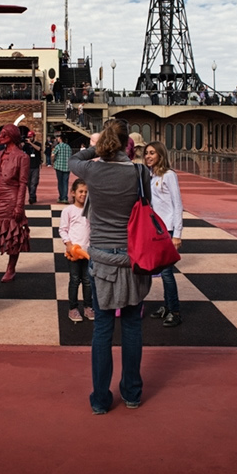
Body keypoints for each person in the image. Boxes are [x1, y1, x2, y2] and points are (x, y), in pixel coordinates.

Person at [69, 119, 152, 414]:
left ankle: (101, 399)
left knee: (102, 330)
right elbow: (147, 209)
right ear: (128, 143)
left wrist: (97, 149)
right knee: (131, 327)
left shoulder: (92, 169)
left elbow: (73, 159)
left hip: (102, 257)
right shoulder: (140, 172)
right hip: (132, 257)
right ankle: (131, 393)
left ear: (105, 140)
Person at [0, 124, 30, 282]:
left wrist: (19, 206)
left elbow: (23, 183)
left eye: (3, 134)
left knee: (13, 234)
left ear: (11, 136)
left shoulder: (22, 157)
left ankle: (11, 268)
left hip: (12, 198)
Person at [143, 141, 184, 327]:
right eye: (146, 153)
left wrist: (177, 233)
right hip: (156, 228)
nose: (148, 156)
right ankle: (167, 306)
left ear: (160, 155)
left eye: (152, 153)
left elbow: (177, 204)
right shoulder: (151, 176)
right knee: (161, 270)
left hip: (167, 229)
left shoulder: (169, 175)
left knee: (167, 272)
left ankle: (174, 311)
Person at [60, 178, 94, 323]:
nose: (84, 195)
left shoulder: (91, 210)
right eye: (81, 191)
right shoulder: (68, 211)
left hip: (88, 252)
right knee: (74, 280)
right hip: (73, 253)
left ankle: (88, 306)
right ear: (73, 193)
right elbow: (63, 229)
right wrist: (68, 244)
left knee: (88, 281)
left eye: (86, 192)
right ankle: (73, 308)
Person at [23, 130, 42, 204]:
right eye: (29, 137)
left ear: (34, 137)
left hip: (35, 166)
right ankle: (32, 196)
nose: (29, 138)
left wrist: (30, 143)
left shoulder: (37, 144)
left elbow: (39, 149)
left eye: (31, 137)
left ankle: (32, 197)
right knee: (29, 183)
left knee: (34, 182)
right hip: (28, 166)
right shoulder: (26, 145)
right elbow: (21, 150)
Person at [52, 132, 72, 203]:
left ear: (60, 139)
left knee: (60, 182)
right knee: (65, 182)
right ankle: (65, 197)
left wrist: (53, 161)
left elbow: (53, 155)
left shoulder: (58, 146)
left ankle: (61, 197)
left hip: (59, 166)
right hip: (67, 167)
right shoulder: (68, 147)